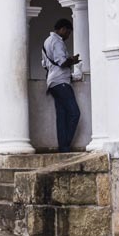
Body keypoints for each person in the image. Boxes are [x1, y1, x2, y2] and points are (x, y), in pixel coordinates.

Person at [42, 19, 81, 151]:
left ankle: (63, 147)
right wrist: (72, 60)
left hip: (52, 83)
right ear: (63, 29)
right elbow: (62, 62)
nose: (68, 36)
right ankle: (65, 145)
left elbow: (44, 64)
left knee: (62, 115)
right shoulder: (57, 42)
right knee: (75, 113)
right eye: (68, 32)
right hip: (61, 81)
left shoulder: (46, 41)